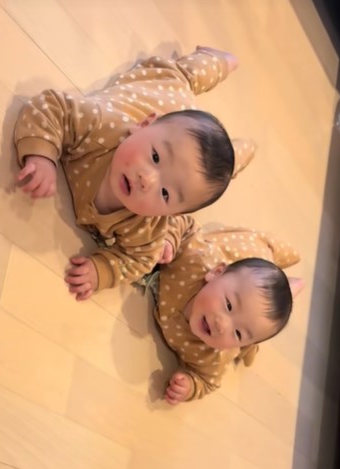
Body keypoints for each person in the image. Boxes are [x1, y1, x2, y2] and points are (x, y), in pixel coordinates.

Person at [14, 46, 254, 300]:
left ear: (172, 214)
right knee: (187, 75)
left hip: (181, 140)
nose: (146, 179)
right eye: (155, 157)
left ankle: (243, 152)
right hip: (163, 91)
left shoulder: (147, 227)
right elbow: (52, 107)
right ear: (144, 125)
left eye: (165, 193)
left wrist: (102, 270)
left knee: (221, 167)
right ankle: (220, 60)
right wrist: (43, 154)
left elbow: (138, 261)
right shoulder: (101, 126)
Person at [150, 215, 303, 404]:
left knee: (270, 308)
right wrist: (169, 240)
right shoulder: (195, 260)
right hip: (249, 250)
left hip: (251, 302)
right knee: (266, 248)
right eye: (229, 305)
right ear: (216, 273)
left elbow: (207, 382)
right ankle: (291, 283)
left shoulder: (213, 355)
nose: (222, 326)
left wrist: (190, 386)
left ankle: (293, 288)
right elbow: (185, 225)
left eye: (238, 333)